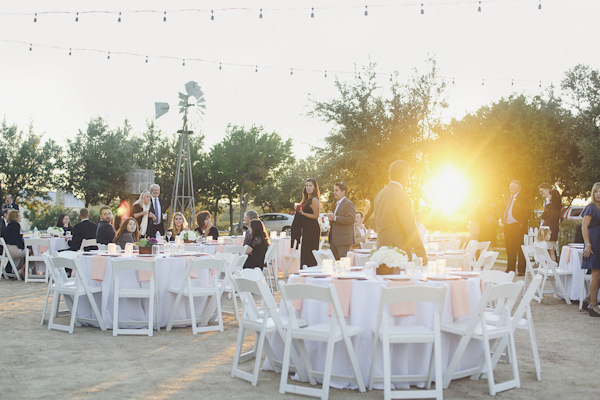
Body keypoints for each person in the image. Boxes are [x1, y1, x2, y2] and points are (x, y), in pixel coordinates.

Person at [373, 160, 427, 263]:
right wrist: (421, 253)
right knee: (399, 279)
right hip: (398, 251)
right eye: (408, 174)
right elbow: (410, 227)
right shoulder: (402, 196)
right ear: (403, 174)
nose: (408, 178)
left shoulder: (380, 195)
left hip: (381, 249)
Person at [290, 178, 321, 266]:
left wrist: (303, 213)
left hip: (313, 229)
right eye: (307, 186)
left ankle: (310, 272)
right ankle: (304, 271)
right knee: (305, 252)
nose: (308, 188)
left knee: (310, 253)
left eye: (310, 186)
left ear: (315, 187)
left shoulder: (314, 199)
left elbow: (316, 216)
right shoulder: (306, 199)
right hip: (306, 229)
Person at [502, 180, 531, 275]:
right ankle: (510, 269)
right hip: (507, 226)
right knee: (509, 248)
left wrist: (521, 224)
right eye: (511, 186)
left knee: (519, 248)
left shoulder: (523, 198)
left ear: (519, 188)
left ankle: (521, 270)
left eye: (514, 186)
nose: (512, 188)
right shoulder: (507, 197)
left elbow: (527, 212)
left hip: (517, 226)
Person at [581, 182, 600, 317]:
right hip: (593, 242)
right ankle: (593, 306)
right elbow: (584, 227)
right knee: (596, 274)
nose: (598, 194)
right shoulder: (591, 208)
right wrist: (588, 244)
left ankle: (588, 298)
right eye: (596, 191)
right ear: (593, 194)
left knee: (599, 275)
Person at [327, 182, 355, 260]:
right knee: (335, 265)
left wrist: (335, 218)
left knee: (343, 265)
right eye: (334, 190)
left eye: (336, 190)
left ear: (343, 192)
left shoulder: (348, 204)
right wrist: (332, 219)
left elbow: (351, 219)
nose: (334, 192)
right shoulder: (338, 204)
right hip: (334, 241)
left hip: (343, 241)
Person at [1, 210, 29, 278]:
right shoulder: (15, 225)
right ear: (15, 217)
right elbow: (15, 240)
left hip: (7, 249)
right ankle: (21, 270)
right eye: (19, 216)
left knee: (26, 252)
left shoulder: (9, 225)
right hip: (13, 250)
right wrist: (23, 245)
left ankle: (17, 271)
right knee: (30, 252)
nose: (20, 217)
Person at [539, 184, 562, 262]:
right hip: (555, 229)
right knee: (552, 250)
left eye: (550, 195)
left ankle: (547, 268)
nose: (549, 197)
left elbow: (543, 216)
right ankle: (554, 267)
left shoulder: (549, 206)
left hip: (547, 230)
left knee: (546, 251)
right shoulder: (559, 207)